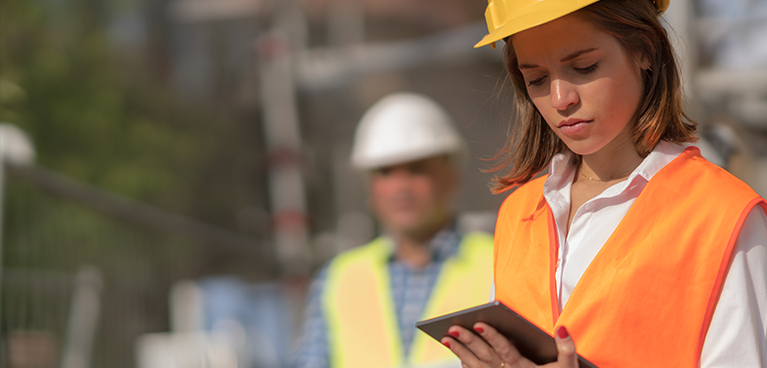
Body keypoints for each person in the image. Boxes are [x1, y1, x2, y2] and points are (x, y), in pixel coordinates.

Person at [438, 0, 767, 367]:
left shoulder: (722, 214)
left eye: (583, 67)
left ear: (644, 49)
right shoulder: (520, 213)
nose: (561, 99)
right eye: (537, 79)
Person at [293, 92, 495, 368]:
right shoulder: (336, 279)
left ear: (451, 176)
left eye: (416, 169)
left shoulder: (501, 262)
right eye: (386, 171)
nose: (401, 186)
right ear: (370, 186)